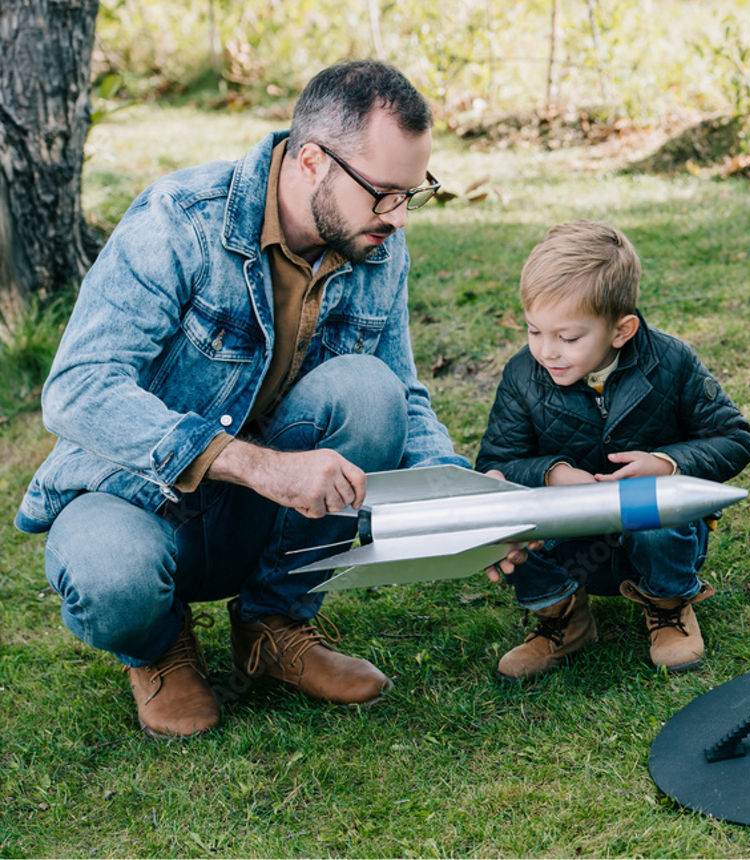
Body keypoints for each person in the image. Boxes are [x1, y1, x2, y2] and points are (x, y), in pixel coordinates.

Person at [13, 60, 526, 739]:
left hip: (261, 515)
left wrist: (458, 494)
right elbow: (78, 389)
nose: (398, 218)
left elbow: (401, 388)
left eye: (413, 192)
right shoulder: (179, 220)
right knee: (110, 576)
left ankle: (272, 625)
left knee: (370, 394)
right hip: (134, 498)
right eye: (383, 193)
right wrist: (260, 466)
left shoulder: (375, 244)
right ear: (312, 160)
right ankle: (160, 648)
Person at [476, 220, 750, 680]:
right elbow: (496, 466)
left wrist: (667, 464)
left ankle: (668, 607)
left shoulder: (672, 362)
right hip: (568, 538)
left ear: (621, 330)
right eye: (534, 330)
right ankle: (561, 618)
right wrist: (551, 473)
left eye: (568, 338)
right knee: (509, 518)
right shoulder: (522, 376)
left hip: (652, 528)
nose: (548, 351)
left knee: (659, 520)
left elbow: (734, 438)